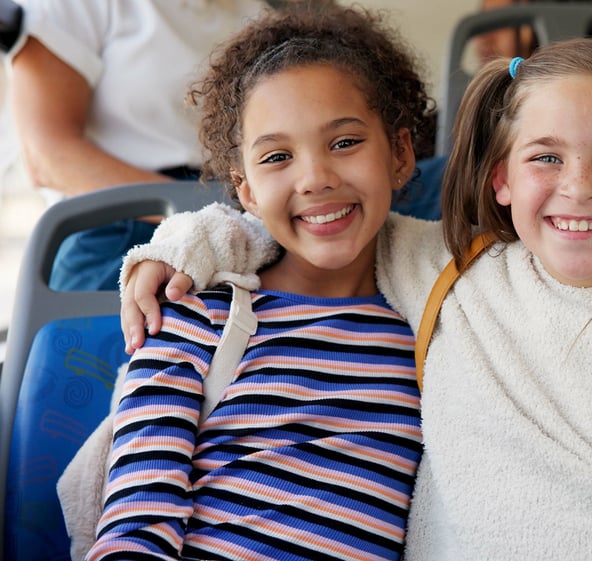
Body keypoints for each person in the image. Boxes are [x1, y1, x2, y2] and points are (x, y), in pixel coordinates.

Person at [119, 38, 592, 559]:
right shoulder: (449, 272)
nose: (579, 185)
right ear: (500, 179)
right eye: (545, 158)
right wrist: (175, 249)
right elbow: (291, 223)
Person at [84, 5, 431, 560]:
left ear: (401, 154)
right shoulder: (195, 315)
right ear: (244, 191)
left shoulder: (437, 333)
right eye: (277, 157)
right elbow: (134, 528)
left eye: (344, 143)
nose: (315, 178)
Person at [4, 0, 273, 291]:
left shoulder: (258, 15)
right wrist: (204, 216)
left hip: (239, 227)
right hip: (121, 226)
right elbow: (48, 157)